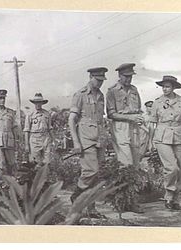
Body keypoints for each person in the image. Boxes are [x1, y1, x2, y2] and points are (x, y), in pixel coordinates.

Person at [148, 75, 181, 210]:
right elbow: (152, 122)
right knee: (172, 167)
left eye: (167, 86)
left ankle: (176, 199)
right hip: (162, 136)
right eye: (163, 86)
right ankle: (168, 196)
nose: (164, 89)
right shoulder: (157, 102)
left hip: (179, 135)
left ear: (173, 87)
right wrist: (150, 141)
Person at [68, 67, 108, 218]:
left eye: (102, 81)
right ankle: (77, 195)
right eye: (97, 80)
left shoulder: (101, 95)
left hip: (99, 138)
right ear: (91, 77)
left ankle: (91, 209)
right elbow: (72, 120)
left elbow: (100, 119)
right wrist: (76, 143)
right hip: (85, 139)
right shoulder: (80, 94)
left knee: (96, 175)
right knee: (91, 171)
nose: (100, 83)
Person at [106, 63, 144, 213]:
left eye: (130, 76)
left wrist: (138, 118)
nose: (129, 79)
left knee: (135, 165)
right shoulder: (112, 91)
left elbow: (139, 108)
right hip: (120, 128)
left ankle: (131, 200)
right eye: (126, 76)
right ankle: (123, 200)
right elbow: (111, 114)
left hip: (134, 128)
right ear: (119, 76)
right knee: (125, 164)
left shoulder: (134, 90)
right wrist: (130, 118)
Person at [24, 93, 54, 166]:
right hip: (34, 139)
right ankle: (37, 176)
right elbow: (26, 130)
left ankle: (45, 176)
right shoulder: (30, 114)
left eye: (39, 102)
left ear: (42, 103)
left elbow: (50, 128)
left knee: (47, 161)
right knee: (36, 162)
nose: (38, 104)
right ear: (34, 103)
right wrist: (27, 145)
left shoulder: (47, 114)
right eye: (36, 102)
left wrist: (54, 140)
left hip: (45, 138)